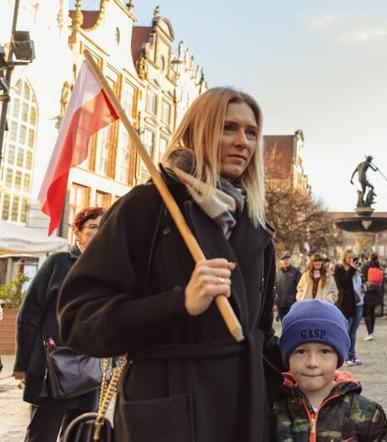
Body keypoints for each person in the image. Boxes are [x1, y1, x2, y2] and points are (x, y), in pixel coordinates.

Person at [57, 88, 282, 442]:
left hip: (245, 412)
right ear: (198, 132)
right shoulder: (148, 207)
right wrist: (179, 303)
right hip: (169, 412)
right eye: (228, 128)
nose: (243, 142)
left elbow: (263, 333)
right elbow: (78, 321)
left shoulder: (255, 223)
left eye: (251, 132)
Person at [13, 207, 104, 442]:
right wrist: (22, 364)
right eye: (93, 226)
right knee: (41, 435)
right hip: (52, 368)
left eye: (104, 226)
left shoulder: (106, 270)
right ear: (78, 233)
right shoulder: (58, 262)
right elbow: (29, 314)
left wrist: (110, 361)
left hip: (90, 370)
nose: (99, 231)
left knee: (80, 435)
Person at [274, 299, 387, 441]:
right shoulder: (270, 411)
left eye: (324, 351)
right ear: (287, 357)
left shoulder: (368, 414)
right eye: (301, 351)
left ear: (338, 358)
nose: (312, 362)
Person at [334, 250, 362, 366]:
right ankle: (345, 357)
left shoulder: (355, 270)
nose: (351, 259)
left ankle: (353, 355)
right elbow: (342, 283)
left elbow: (359, 282)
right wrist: (351, 269)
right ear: (344, 257)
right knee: (347, 331)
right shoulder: (340, 269)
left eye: (352, 257)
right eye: (349, 257)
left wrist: (364, 285)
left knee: (353, 332)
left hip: (358, 303)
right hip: (346, 304)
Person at [362, 252, 383, 341]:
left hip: (368, 291)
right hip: (376, 292)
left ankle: (369, 332)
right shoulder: (379, 267)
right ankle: (371, 332)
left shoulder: (366, 266)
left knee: (367, 313)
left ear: (369, 258)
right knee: (372, 313)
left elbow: (363, 278)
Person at [275, 252, 301, 321]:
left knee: (291, 322)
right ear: (280, 262)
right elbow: (274, 287)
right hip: (280, 304)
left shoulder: (296, 272)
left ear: (290, 260)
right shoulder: (277, 273)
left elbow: (300, 287)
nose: (285, 261)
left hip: (292, 304)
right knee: (283, 323)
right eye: (283, 260)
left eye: (287, 259)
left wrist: (297, 300)